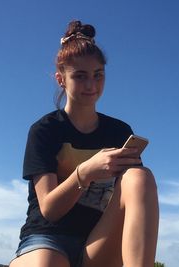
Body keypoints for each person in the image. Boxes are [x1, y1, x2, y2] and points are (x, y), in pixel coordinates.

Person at [9, 20, 159, 267]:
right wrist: (86, 172)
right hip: (47, 239)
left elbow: (131, 197)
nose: (91, 85)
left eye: (98, 75)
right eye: (80, 76)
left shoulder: (119, 131)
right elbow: (49, 210)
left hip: (98, 243)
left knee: (140, 177)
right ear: (61, 79)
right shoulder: (45, 130)